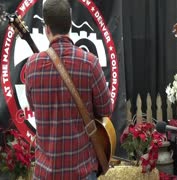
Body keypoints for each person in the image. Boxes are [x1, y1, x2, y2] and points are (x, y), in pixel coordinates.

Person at [25, 0, 112, 179]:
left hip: (44, 173)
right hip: (81, 171)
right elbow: (106, 109)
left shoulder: (32, 65)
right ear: (70, 24)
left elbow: (34, 108)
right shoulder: (90, 63)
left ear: (46, 28)